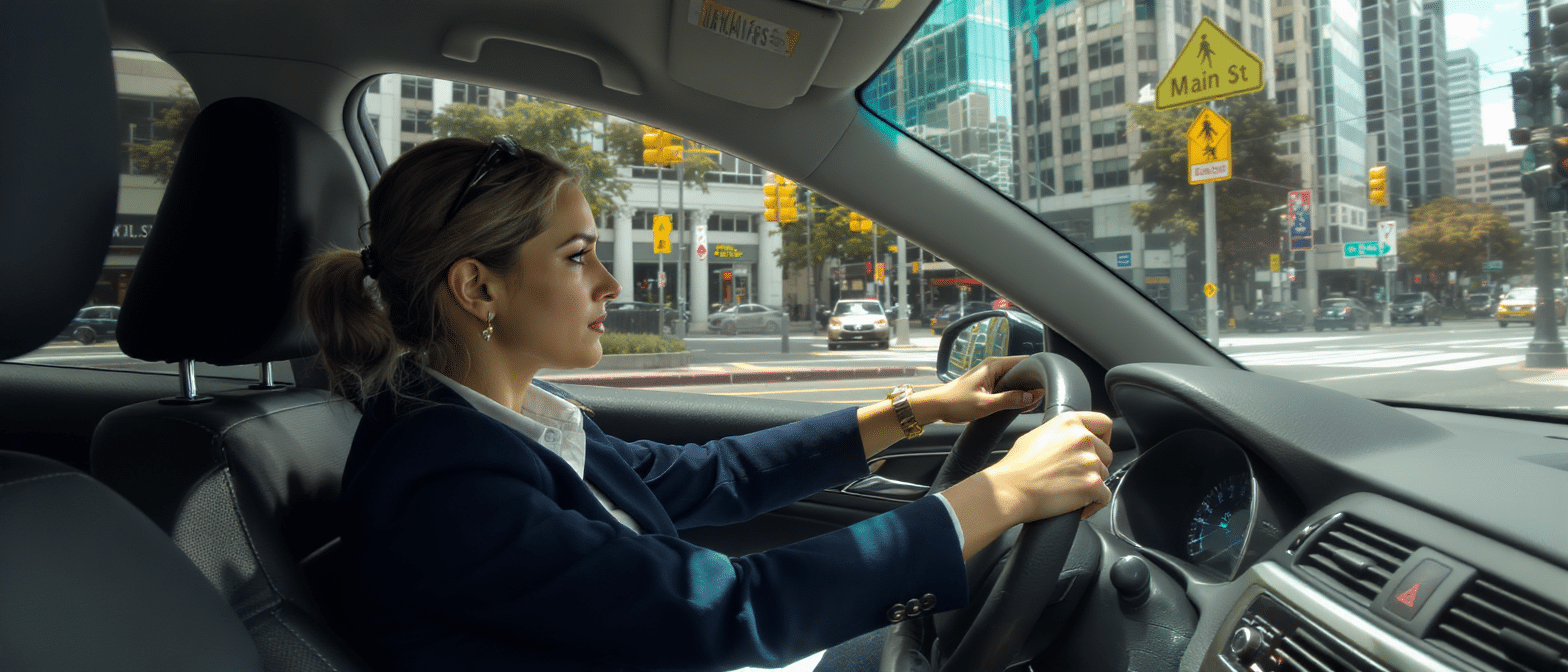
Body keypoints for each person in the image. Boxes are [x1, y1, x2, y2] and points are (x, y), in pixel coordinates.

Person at [299, 135, 1115, 672]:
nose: (610, 284)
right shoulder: (447, 480)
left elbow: (706, 478)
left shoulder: (486, 420)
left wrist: (923, 409)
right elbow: (722, 613)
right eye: (579, 256)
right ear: (478, 285)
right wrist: (1001, 494)